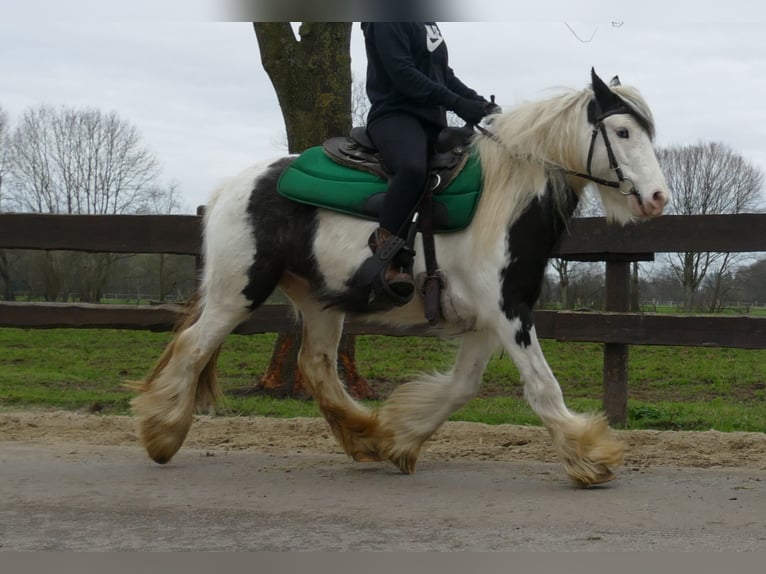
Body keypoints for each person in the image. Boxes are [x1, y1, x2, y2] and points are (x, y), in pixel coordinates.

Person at [360, 22, 496, 304]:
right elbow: (403, 74)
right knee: (412, 167)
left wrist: (478, 102)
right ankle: (385, 250)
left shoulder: (427, 22)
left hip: (432, 122)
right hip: (394, 115)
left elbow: (443, 75)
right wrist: (457, 103)